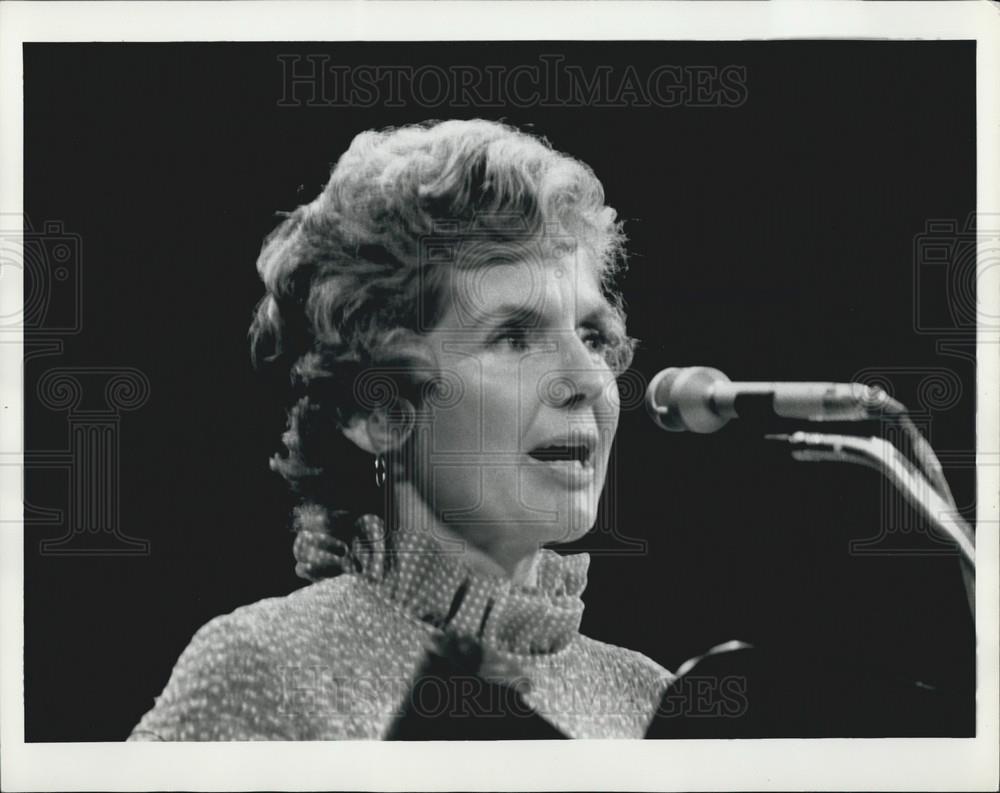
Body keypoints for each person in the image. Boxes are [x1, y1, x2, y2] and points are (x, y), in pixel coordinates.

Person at [128, 118, 675, 741]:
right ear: (377, 412)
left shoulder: (649, 697)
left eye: (592, 336)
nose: (587, 377)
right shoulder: (266, 668)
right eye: (514, 337)